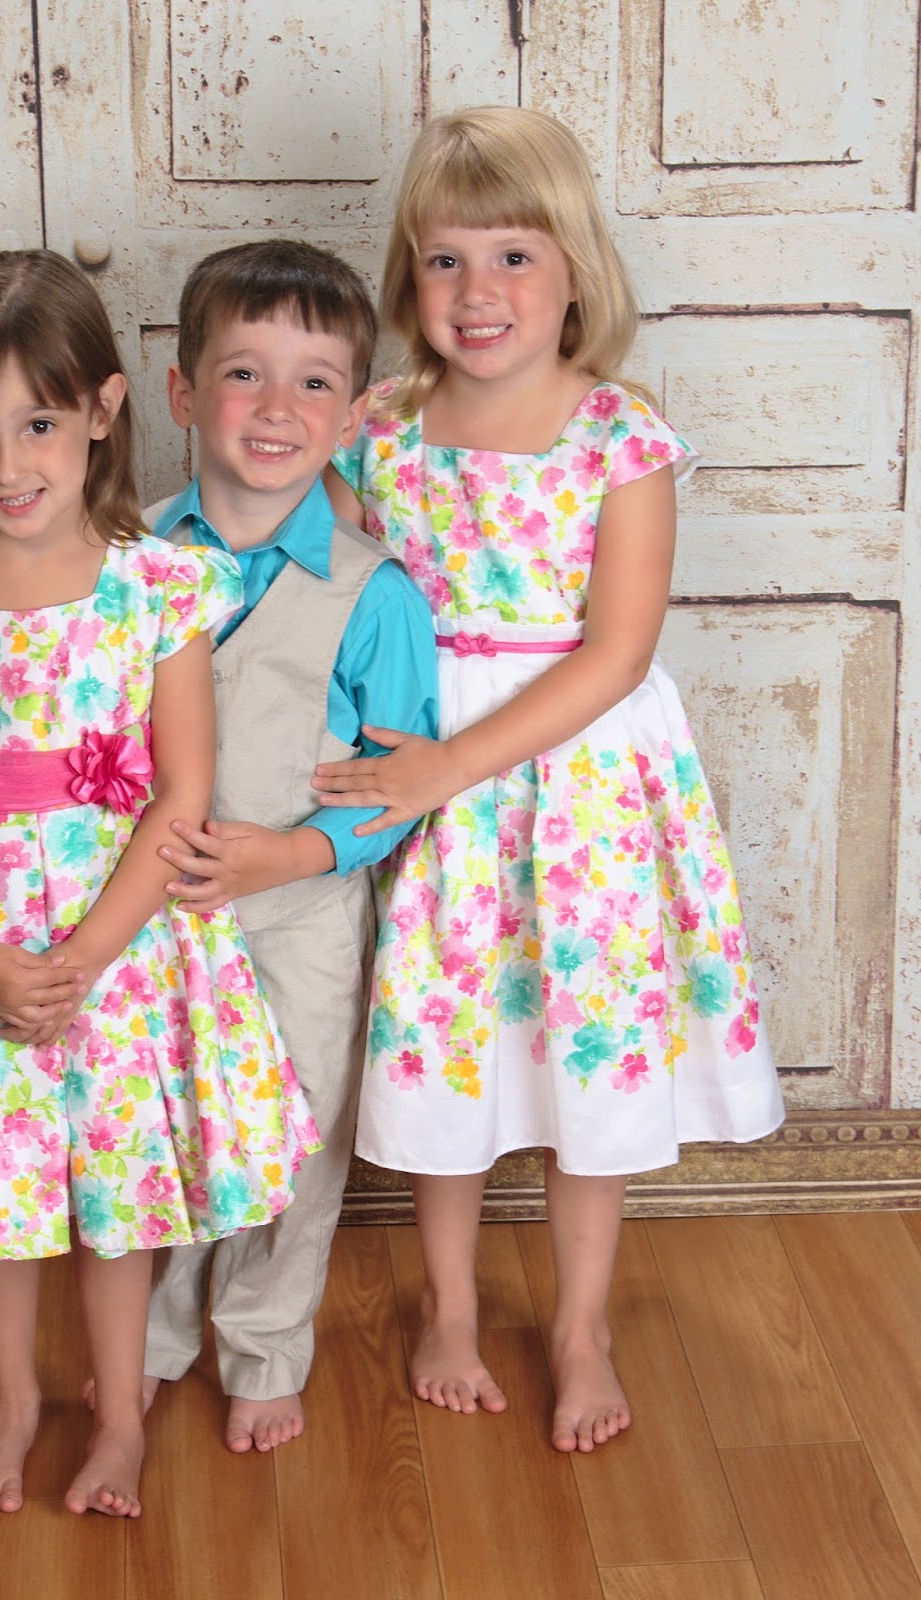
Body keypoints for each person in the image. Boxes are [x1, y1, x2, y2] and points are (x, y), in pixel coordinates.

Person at [0, 238, 441, 1457]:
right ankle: (132, 1362)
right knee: (133, 1149)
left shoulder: (326, 587)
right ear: (175, 394)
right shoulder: (114, 553)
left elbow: (385, 773)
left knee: (279, 1136)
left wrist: (291, 857)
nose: (272, 409)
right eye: (241, 375)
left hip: (247, 919)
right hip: (98, 926)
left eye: (311, 384)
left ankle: (254, 1348)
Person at [316, 106, 785, 1454]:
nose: (478, 291)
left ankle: (581, 1324)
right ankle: (449, 1306)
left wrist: (446, 769)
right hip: (423, 772)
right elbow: (322, 600)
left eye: (513, 256)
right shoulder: (380, 429)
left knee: (591, 1039)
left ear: (576, 269)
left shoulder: (615, 435)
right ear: (409, 276)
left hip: (579, 785)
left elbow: (616, 650)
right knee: (446, 1036)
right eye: (445, 260)